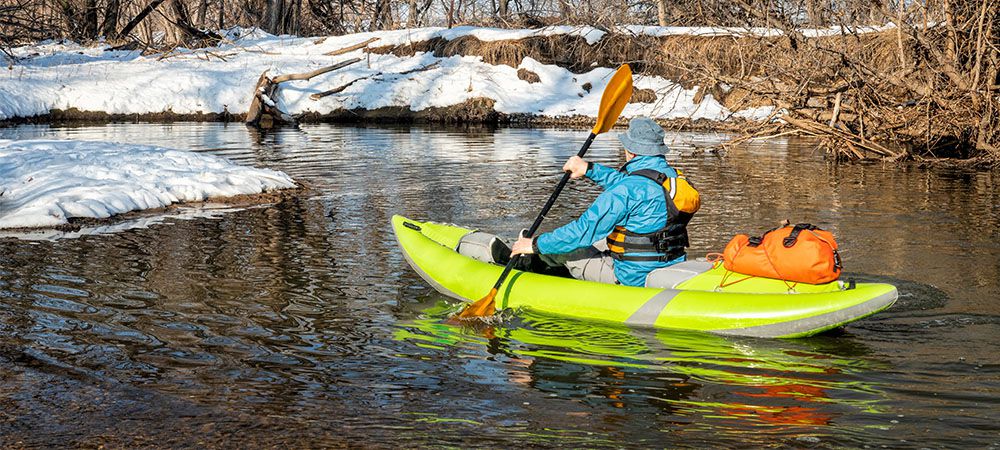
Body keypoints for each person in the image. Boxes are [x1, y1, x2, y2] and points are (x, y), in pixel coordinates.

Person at [508, 116, 700, 287]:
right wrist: (589, 168)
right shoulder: (673, 178)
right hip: (671, 265)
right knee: (602, 240)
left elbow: (580, 232)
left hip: (631, 278)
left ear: (631, 151)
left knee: (569, 246)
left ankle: (529, 263)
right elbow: (633, 187)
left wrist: (534, 245)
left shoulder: (625, 191)